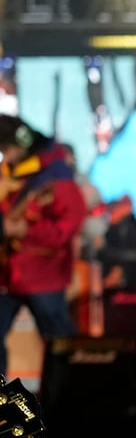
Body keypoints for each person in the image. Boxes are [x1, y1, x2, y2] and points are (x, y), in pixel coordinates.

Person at [0, 117, 87, 376]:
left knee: (60, 343)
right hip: (8, 274)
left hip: (43, 276)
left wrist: (27, 231)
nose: (6, 156)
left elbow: (68, 226)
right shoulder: (12, 174)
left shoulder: (56, 176)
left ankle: (72, 397)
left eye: (7, 149)